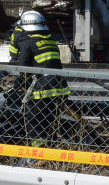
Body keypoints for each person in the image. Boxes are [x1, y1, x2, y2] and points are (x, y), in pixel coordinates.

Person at [16, 11, 69, 144]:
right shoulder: (51, 42)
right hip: (61, 88)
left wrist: (20, 85)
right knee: (50, 120)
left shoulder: (27, 44)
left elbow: (24, 71)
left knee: (33, 119)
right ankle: (50, 146)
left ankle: (37, 153)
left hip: (43, 89)